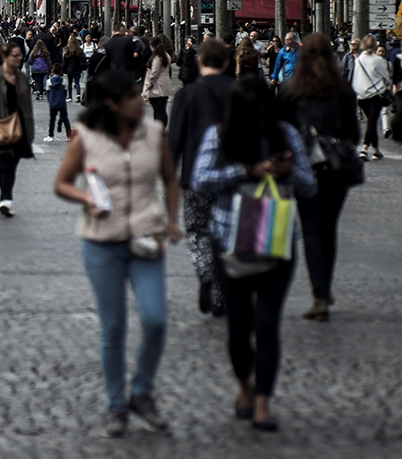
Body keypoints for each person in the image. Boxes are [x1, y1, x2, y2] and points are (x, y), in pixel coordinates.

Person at [54, 70, 182, 438]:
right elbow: (62, 183)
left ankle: (141, 392)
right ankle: (116, 405)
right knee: (113, 327)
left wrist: (172, 219)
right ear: (113, 103)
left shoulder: (155, 134)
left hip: (146, 236)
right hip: (101, 242)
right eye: (132, 96)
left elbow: (170, 179)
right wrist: (85, 198)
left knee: (156, 319)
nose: (141, 100)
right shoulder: (87, 138)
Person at [192, 78, 317, 432]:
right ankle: (244, 386)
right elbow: (200, 179)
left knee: (266, 324)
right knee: (238, 327)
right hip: (230, 241)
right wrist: (245, 171)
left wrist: (288, 171)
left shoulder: (286, 135)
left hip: (277, 241)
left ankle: (262, 401)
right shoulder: (221, 136)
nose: (262, 120)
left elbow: (310, 186)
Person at [279, 34, 360, 322]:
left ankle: (320, 294)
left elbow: (282, 130)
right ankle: (325, 288)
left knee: (311, 230)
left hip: (304, 166)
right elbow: (353, 132)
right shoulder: (342, 90)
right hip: (336, 168)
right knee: (328, 229)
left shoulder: (291, 89)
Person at [168, 37, 236, 317]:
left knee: (197, 232)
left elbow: (175, 139)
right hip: (233, 176)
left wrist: (169, 174)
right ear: (227, 62)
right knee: (226, 234)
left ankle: (205, 271)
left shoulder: (187, 95)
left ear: (198, 62)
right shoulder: (238, 91)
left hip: (195, 175)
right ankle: (222, 293)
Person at [0, 41, 35, 216]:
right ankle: (5, 199)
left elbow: (27, 106)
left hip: (19, 128)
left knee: (12, 165)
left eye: (20, 55)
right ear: (4, 57)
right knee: (4, 163)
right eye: (15, 55)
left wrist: (30, 130)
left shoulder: (22, 78)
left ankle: (6, 197)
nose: (19, 58)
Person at [351, 34, 391, 160]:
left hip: (362, 96)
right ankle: (364, 149)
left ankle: (376, 150)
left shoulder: (358, 60)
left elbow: (355, 78)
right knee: (372, 123)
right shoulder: (379, 60)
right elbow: (386, 78)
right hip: (375, 95)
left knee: (371, 123)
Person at [142, 35, 173, 125]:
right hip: (164, 85)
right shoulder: (166, 56)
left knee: (158, 110)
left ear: (153, 46)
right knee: (162, 110)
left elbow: (154, 74)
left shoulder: (157, 58)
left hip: (157, 87)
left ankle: (159, 128)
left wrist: (148, 87)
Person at [45, 63, 71, 141]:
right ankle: (69, 135)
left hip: (53, 103)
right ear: (61, 72)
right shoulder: (64, 81)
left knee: (52, 119)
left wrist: (50, 101)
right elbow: (65, 91)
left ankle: (51, 135)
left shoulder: (49, 81)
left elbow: (47, 92)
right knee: (65, 119)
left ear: (52, 71)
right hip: (62, 103)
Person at [64, 36, 86, 104]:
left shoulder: (67, 50)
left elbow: (65, 61)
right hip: (77, 68)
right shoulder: (79, 50)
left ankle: (70, 96)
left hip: (69, 68)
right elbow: (82, 59)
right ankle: (78, 94)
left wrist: (64, 69)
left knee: (70, 83)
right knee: (77, 82)